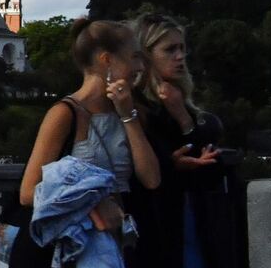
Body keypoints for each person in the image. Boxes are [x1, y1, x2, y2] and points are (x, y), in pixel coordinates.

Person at [12, 19, 162, 268]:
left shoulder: (133, 112)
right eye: (134, 57)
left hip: (119, 245)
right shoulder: (64, 113)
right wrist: (94, 203)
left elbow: (152, 179)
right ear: (107, 60)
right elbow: (28, 192)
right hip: (68, 249)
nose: (140, 66)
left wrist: (128, 116)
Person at [126, 13, 237, 268]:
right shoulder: (134, 107)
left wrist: (182, 116)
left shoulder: (178, 102)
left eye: (182, 49)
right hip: (155, 225)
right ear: (146, 54)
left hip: (190, 217)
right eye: (170, 50)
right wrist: (172, 164)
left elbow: (209, 162)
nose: (180, 57)